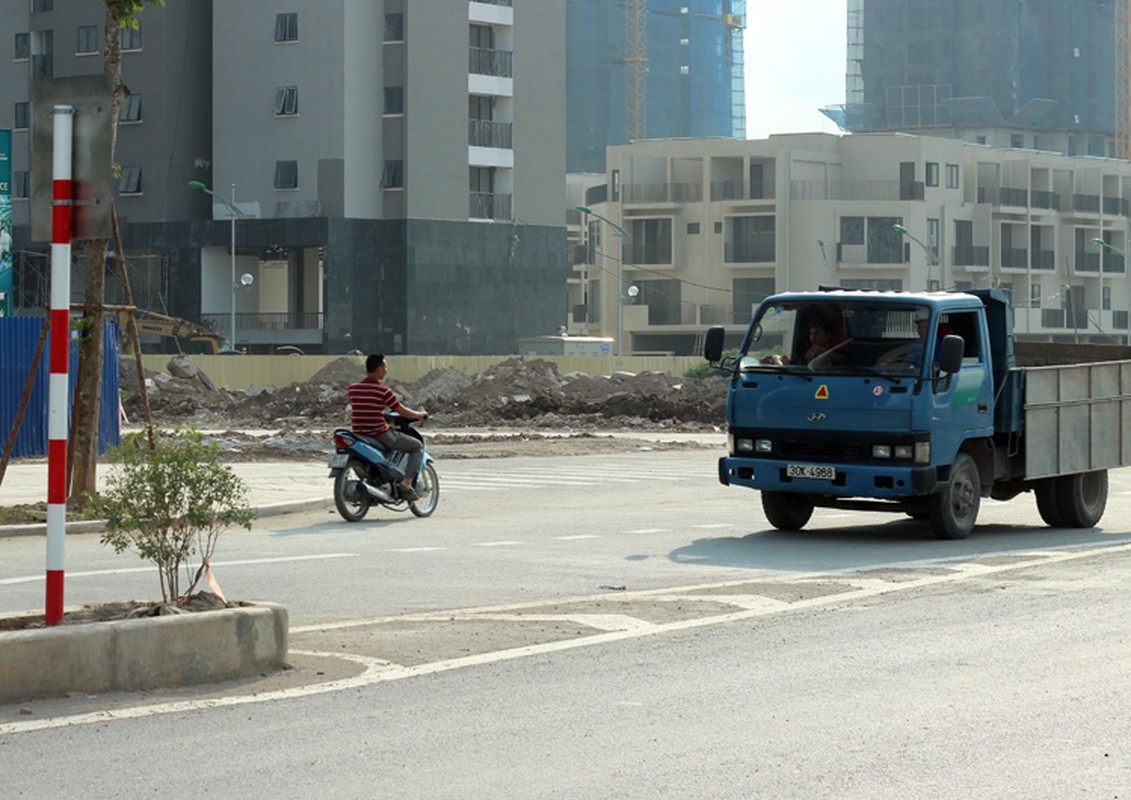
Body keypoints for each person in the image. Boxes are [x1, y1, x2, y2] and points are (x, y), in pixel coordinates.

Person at [347, 353, 429, 501]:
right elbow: (402, 411)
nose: (387, 370)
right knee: (416, 446)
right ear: (379, 369)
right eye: (385, 367)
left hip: (359, 433)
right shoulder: (383, 391)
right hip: (379, 434)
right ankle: (406, 483)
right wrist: (418, 415)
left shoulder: (353, 389)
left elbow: (365, 406)